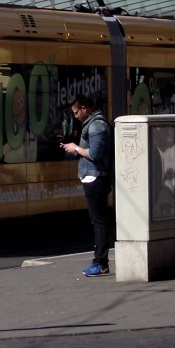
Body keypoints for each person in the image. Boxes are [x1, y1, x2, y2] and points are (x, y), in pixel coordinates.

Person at [61, 93, 113, 277]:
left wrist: (75, 148)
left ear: (85, 108)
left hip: (96, 177)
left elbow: (96, 154)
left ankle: (100, 262)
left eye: (76, 112)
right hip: (93, 177)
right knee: (98, 220)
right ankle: (100, 261)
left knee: (98, 221)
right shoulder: (93, 124)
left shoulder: (97, 125)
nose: (75, 116)